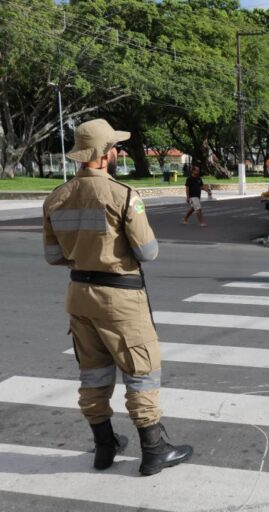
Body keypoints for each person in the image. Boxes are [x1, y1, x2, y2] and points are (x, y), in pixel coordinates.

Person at [42, 118, 193, 476]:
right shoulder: (123, 195)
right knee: (142, 372)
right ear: (106, 154)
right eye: (114, 147)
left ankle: (104, 444)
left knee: (93, 374)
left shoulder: (56, 197)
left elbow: (52, 257)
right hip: (120, 297)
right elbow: (148, 252)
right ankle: (154, 449)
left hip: (79, 294)